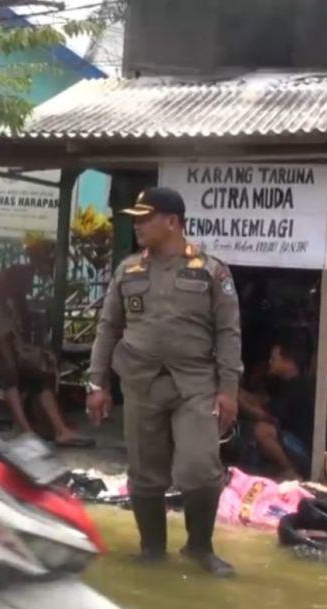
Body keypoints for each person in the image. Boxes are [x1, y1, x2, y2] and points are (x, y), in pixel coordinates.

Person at [87, 187, 242, 578]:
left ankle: (199, 547)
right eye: (136, 218)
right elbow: (108, 329)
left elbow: (228, 333)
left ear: (172, 221)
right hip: (141, 383)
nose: (137, 225)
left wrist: (229, 391)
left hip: (194, 385)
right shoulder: (128, 271)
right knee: (144, 473)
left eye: (145, 217)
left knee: (199, 467)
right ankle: (152, 551)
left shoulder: (211, 271)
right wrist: (96, 383)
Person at [0, 263, 93, 447]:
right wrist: (13, 361)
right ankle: (26, 430)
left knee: (41, 377)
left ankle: (60, 430)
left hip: (16, 353)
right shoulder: (0, 301)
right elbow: (1, 337)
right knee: (11, 377)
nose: (31, 283)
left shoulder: (18, 301)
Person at [238, 338, 314, 479]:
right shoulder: (283, 383)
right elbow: (260, 401)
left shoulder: (298, 388)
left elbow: (266, 416)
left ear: (289, 362)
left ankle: (290, 470)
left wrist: (236, 400)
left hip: (302, 449)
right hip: (287, 440)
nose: (270, 362)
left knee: (262, 431)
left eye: (274, 358)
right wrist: (234, 390)